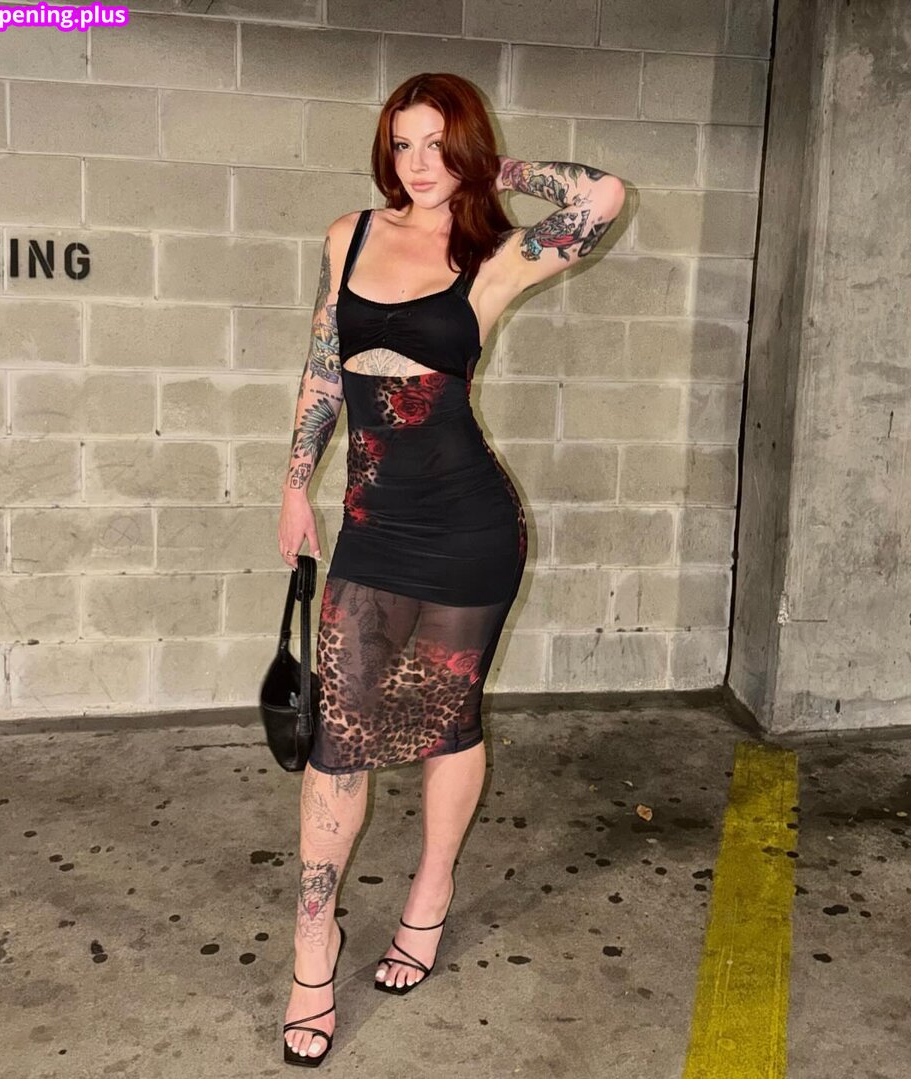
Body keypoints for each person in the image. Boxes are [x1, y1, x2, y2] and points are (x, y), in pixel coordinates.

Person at [276, 72, 626, 1066]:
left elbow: (602, 196)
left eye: (438, 144)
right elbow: (322, 366)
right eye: (403, 143)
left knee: (448, 720)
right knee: (337, 738)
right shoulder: (348, 235)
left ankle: (429, 895)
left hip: (470, 526)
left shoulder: (495, 255)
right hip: (372, 525)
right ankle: (314, 939)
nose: (417, 163)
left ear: (464, 147)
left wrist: (491, 169)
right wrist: (295, 485)